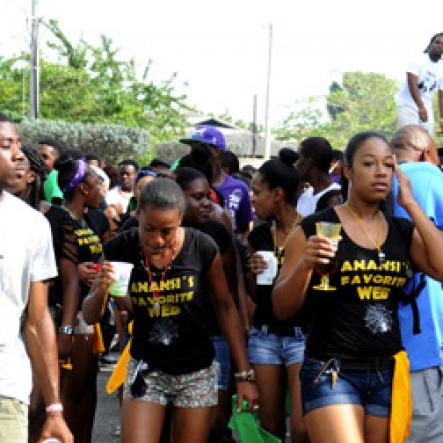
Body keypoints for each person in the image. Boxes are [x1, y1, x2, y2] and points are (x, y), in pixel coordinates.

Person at [273, 131, 443, 443]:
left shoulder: (401, 230)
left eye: (388, 165)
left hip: (385, 371)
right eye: (369, 164)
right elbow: (282, 307)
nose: (381, 172)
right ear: (347, 170)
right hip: (332, 368)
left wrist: (411, 205)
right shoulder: (315, 228)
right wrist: (305, 265)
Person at [82, 177, 258, 443]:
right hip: (147, 367)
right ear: (138, 214)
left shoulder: (202, 247)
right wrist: (100, 288)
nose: (157, 240)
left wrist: (244, 375)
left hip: (196, 371)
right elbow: (89, 316)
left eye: (168, 230)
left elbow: (225, 307)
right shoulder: (119, 248)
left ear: (180, 221)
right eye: (149, 228)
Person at [0, 114, 72, 443]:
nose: (19, 154)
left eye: (18, 144)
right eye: (6, 145)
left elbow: (38, 318)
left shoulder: (31, 225)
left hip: (6, 389)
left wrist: (54, 407)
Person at [45, 155, 109, 443]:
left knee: (88, 389)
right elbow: (50, 267)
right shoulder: (57, 218)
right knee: (71, 391)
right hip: (68, 313)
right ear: (83, 188)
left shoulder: (95, 217)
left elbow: (104, 251)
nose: (102, 189)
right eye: (97, 183)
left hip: (93, 310)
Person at [247, 149, 307, 442]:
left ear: (278, 194)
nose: (252, 198)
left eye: (257, 191)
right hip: (265, 335)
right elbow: (255, 295)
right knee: (269, 426)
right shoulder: (258, 235)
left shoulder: (312, 229)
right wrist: (251, 272)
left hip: (303, 335)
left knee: (301, 427)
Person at [391, 125, 443, 443]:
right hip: (431, 340)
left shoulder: (373, 185)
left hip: (395, 343)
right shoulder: (426, 173)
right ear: (427, 152)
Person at [181, 126, 254, 236]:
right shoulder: (184, 184)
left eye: (198, 148)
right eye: (192, 148)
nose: (193, 152)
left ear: (216, 151)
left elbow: (245, 230)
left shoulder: (239, 187)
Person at [396, 33, 443, 135]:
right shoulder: (418, 60)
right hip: (407, 105)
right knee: (412, 137)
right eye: (437, 42)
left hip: (427, 107)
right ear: (431, 44)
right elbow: (412, 84)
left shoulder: (441, 68)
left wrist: (442, 119)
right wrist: (420, 107)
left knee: (428, 140)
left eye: (442, 44)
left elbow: (441, 97)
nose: (439, 45)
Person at [296, 137, 342, 217]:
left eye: (298, 159)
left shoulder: (334, 200)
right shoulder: (306, 192)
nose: (296, 165)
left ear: (309, 163)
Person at [37, 137, 65, 204]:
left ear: (57, 161)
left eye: (45, 157)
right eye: (37, 155)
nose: (39, 160)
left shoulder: (55, 178)